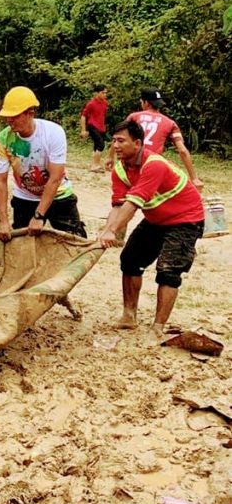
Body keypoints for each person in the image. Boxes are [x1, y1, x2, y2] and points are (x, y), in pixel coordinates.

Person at [98, 120, 204, 337]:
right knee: (129, 259)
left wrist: (113, 230)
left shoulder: (153, 164)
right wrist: (108, 229)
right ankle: (129, 316)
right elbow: (118, 204)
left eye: (121, 141)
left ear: (137, 143)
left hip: (186, 220)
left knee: (168, 270)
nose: (115, 146)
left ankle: (158, 326)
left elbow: (134, 203)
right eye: (114, 141)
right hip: (157, 220)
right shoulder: (119, 169)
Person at [0, 86, 87, 242]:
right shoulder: (3, 139)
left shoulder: (53, 133)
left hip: (59, 195)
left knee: (75, 243)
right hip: (25, 197)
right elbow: (0, 181)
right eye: (7, 116)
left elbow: (55, 178)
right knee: (21, 248)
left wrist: (39, 215)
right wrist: (3, 221)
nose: (9, 120)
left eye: (14, 116)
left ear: (30, 113)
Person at [106, 88, 203, 190]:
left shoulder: (134, 117)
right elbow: (182, 150)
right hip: (152, 165)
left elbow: (119, 137)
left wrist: (110, 157)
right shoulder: (170, 123)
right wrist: (194, 178)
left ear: (146, 103)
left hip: (130, 163)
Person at [80, 84, 108, 172]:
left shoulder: (105, 103)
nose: (105, 95)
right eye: (103, 93)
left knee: (96, 146)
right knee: (101, 145)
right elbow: (83, 116)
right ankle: (95, 165)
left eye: (106, 93)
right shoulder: (91, 104)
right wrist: (84, 130)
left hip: (101, 127)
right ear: (97, 93)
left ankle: (94, 164)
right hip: (92, 126)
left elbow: (102, 115)